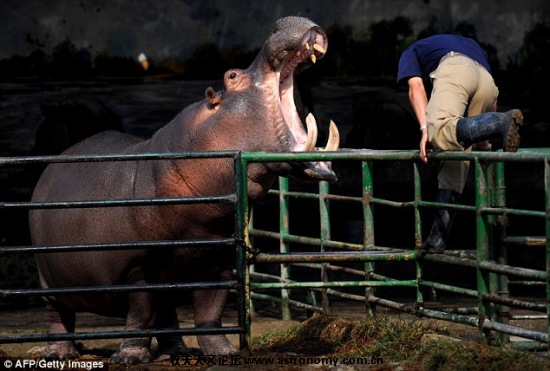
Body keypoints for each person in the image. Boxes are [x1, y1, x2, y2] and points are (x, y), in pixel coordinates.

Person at [396, 34, 523, 254]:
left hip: (455, 67)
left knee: (439, 129)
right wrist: (483, 140)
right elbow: (491, 98)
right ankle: (437, 238)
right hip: (487, 82)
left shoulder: (411, 51)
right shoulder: (473, 45)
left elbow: (416, 88)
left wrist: (426, 130)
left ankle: (499, 121)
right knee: (456, 154)